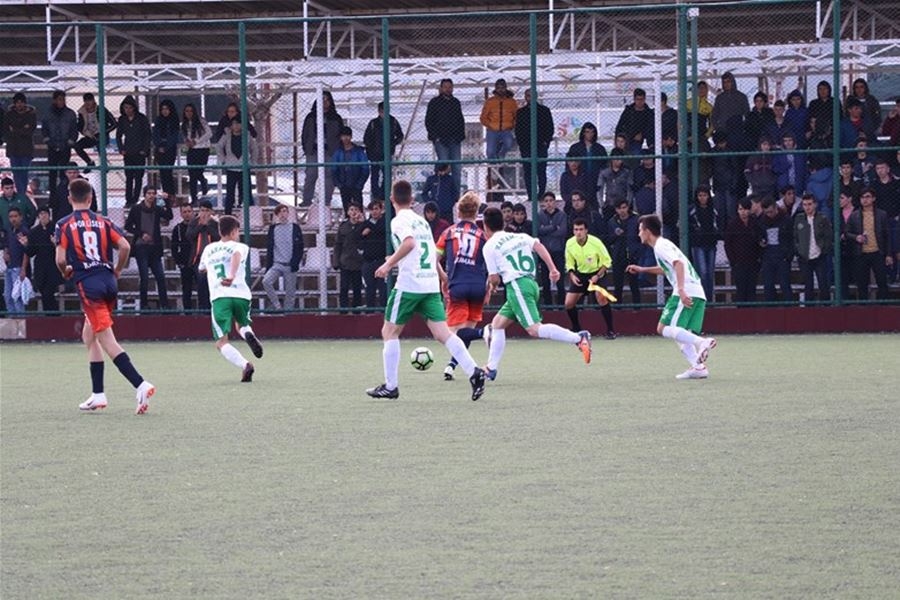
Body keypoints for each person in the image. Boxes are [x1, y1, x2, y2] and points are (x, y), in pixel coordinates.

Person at [365, 180, 486, 401]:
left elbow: (409, 244)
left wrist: (388, 264)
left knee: (389, 332)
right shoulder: (421, 221)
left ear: (391, 199)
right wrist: (441, 276)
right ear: (412, 200)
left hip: (409, 285)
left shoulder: (398, 220)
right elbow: (428, 251)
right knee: (443, 334)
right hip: (429, 284)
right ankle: (474, 371)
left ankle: (391, 387)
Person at [54, 178, 155, 413]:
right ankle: (98, 395)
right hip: (108, 282)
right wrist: (118, 270)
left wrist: (65, 270)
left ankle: (140, 384)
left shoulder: (64, 224)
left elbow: (60, 259)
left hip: (89, 286)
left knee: (107, 340)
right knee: (89, 336)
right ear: (91, 198)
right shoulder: (104, 221)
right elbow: (126, 247)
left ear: (69, 198)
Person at [481, 206, 593, 380]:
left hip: (517, 286)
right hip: (531, 284)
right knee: (497, 325)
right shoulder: (520, 236)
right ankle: (491, 368)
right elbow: (539, 246)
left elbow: (494, 278)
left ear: (485, 227)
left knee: (534, 329)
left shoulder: (489, 246)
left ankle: (578, 338)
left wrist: (492, 287)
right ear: (502, 223)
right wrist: (553, 268)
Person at [626, 214, 717, 380]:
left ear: (647, 231)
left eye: (640, 230)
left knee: (663, 328)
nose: (638, 234)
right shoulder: (663, 245)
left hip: (686, 289)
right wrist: (643, 269)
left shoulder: (661, 246)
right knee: (680, 333)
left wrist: (681, 290)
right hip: (697, 290)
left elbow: (678, 264)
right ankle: (698, 368)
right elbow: (667, 268)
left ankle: (701, 342)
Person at [197, 214, 264, 382]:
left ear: (220, 231)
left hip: (220, 296)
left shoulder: (209, 249)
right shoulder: (241, 246)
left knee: (221, 342)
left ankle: (245, 365)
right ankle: (248, 334)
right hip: (241, 295)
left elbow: (202, 269)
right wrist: (233, 275)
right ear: (234, 231)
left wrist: (217, 269)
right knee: (242, 324)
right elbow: (235, 255)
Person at [435, 191, 489, 381]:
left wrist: (443, 278)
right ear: (476, 213)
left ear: (458, 212)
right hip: (478, 286)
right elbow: (490, 265)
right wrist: (488, 288)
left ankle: (485, 332)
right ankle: (451, 366)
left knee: (452, 334)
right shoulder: (482, 235)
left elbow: (434, 259)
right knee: (466, 333)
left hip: (458, 285)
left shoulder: (448, 232)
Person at [564, 218, 616, 339]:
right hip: (581, 275)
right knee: (568, 303)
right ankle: (576, 328)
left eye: (581, 229)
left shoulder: (596, 242)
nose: (578, 232)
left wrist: (597, 276)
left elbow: (607, 261)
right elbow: (569, 262)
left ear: (586, 230)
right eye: (576, 230)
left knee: (601, 297)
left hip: (597, 273)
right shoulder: (569, 243)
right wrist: (572, 274)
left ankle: (610, 330)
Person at [124, 186, 173, 310]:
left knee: (160, 277)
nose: (151, 196)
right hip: (141, 247)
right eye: (149, 193)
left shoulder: (157, 209)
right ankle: (144, 305)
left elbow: (169, 216)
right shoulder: (136, 209)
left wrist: (167, 201)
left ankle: (165, 305)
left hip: (154, 247)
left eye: (153, 193)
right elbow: (128, 226)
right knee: (144, 277)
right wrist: (141, 234)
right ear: (144, 195)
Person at [846, 188, 892, 300]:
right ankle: (863, 307)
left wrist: (888, 254)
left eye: (867, 197)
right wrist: (856, 237)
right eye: (862, 197)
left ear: (873, 198)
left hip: (878, 253)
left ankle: (883, 305)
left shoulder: (882, 214)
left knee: (882, 282)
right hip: (861, 254)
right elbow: (846, 233)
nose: (865, 200)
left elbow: (887, 236)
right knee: (862, 284)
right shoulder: (854, 215)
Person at [301, 91, 343, 206]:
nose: (324, 102)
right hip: (313, 151)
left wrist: (337, 149)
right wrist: (306, 148)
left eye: (327, 100)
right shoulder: (310, 117)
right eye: (322, 99)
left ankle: (326, 201)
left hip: (330, 151)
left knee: (329, 176)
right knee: (311, 175)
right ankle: (306, 201)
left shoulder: (336, 117)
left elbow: (341, 134)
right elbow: (305, 134)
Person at [424, 79, 466, 195]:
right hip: (440, 140)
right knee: (443, 165)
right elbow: (428, 121)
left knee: (457, 168)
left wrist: (460, 136)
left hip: (455, 140)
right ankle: (442, 193)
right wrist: (435, 137)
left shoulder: (455, 102)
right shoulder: (434, 102)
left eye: (450, 87)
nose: (448, 89)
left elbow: (460, 120)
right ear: (441, 88)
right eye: (445, 87)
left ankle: (456, 195)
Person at [514, 88, 555, 201]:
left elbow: (550, 127)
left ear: (536, 96)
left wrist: (546, 142)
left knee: (541, 171)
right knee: (528, 172)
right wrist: (522, 144)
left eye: (532, 95)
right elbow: (518, 130)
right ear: (525, 97)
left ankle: (541, 194)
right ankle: (531, 196)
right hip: (526, 147)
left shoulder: (544, 110)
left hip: (541, 146)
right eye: (527, 95)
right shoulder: (521, 112)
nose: (530, 98)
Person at [263, 203, 304, 312]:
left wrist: (295, 262)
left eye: (285, 211)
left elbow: (300, 246)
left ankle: (288, 314)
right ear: (276, 215)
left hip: (290, 264)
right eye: (280, 212)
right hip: (277, 264)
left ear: (288, 214)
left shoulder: (295, 228)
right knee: (266, 281)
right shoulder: (273, 229)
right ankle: (277, 305)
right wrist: (269, 265)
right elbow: (270, 248)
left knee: (290, 293)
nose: (282, 214)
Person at [42, 90, 79, 211]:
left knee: (64, 174)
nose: (61, 102)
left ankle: (64, 197)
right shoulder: (48, 114)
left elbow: (74, 130)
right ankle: (52, 199)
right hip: (52, 147)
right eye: (59, 99)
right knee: (52, 174)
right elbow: (44, 129)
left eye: (63, 99)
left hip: (65, 147)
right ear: (54, 100)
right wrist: (48, 141)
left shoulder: (70, 114)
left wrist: (70, 141)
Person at [22, 206, 62, 314]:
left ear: (49, 215)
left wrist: (56, 244)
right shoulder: (34, 232)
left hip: (53, 266)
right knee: (44, 293)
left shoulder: (56, 229)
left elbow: (64, 248)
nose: (43, 216)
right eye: (41, 214)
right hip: (40, 267)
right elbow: (31, 252)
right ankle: (48, 315)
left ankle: (54, 315)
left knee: (49, 292)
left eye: (45, 213)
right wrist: (26, 245)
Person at [793, 193, 832, 303]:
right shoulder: (799, 219)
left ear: (815, 204)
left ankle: (826, 307)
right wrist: (799, 250)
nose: (807, 207)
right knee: (808, 285)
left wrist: (823, 249)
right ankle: (809, 308)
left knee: (823, 283)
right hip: (804, 257)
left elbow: (828, 236)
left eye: (809, 204)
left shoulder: (823, 218)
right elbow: (795, 236)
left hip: (819, 256)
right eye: (805, 204)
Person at [363, 101, 404, 201]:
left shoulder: (393, 121)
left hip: (387, 153)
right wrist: (371, 149)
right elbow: (366, 138)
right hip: (375, 154)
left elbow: (400, 135)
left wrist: (392, 143)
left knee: (387, 175)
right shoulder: (373, 123)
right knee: (375, 175)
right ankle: (376, 195)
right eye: (381, 111)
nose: (383, 113)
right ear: (379, 111)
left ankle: (385, 194)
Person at [216, 118, 258, 215]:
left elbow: (254, 148)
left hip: (244, 167)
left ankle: (250, 215)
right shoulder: (227, 135)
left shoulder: (247, 135)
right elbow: (219, 146)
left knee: (247, 192)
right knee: (230, 193)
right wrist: (223, 160)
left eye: (238, 123)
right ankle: (227, 215)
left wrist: (253, 162)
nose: (236, 126)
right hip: (231, 168)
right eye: (233, 124)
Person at [724, 198, 762, 304]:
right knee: (741, 290)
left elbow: (760, 240)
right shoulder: (732, 225)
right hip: (739, 264)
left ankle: (752, 312)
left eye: (745, 209)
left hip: (753, 263)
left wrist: (758, 258)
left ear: (749, 210)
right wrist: (733, 261)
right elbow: (728, 244)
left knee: (751, 290)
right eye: (740, 209)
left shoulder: (755, 223)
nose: (743, 212)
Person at [480, 78, 518, 184]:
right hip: (492, 130)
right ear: (496, 89)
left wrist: (512, 125)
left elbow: (516, 116)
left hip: (506, 129)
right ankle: (494, 169)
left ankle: (501, 155)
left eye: (503, 88)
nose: (501, 90)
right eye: (499, 88)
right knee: (490, 151)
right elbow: (483, 117)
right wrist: (490, 125)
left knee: (509, 143)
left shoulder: (511, 102)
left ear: (506, 88)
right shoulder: (490, 102)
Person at [116, 95, 152, 207]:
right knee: (129, 177)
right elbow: (118, 135)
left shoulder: (141, 118)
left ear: (134, 108)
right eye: (126, 107)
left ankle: (135, 199)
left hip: (139, 153)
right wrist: (121, 149)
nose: (128, 110)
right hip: (128, 153)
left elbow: (148, 135)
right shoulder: (122, 119)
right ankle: (128, 200)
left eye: (130, 107)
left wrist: (144, 150)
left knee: (138, 177)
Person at [607, 198, 642, 305]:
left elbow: (640, 237)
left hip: (632, 256)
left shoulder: (636, 219)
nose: (622, 210)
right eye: (619, 208)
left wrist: (637, 250)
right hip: (618, 256)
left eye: (624, 207)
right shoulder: (612, 221)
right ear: (616, 209)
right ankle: (618, 307)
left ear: (627, 207)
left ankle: (637, 307)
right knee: (618, 285)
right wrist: (615, 235)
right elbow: (608, 239)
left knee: (634, 284)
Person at [687, 184, 720, 301]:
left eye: (704, 195)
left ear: (708, 196)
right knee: (703, 272)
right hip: (698, 245)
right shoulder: (692, 210)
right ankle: (703, 298)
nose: (702, 198)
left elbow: (717, 225)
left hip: (711, 244)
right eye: (700, 195)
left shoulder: (713, 210)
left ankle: (709, 299)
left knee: (710, 274)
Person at [757, 199, 794, 302]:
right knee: (768, 285)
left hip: (782, 255)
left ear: (775, 208)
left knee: (784, 284)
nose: (769, 214)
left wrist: (789, 255)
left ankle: (789, 307)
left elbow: (792, 238)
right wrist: (761, 242)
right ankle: (770, 307)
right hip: (767, 255)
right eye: (767, 212)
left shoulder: (786, 220)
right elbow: (758, 235)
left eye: (771, 212)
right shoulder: (761, 221)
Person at [188, 200, 220, 310]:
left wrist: (208, 226)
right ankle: (203, 308)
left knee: (212, 284)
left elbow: (218, 237)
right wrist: (201, 225)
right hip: (198, 259)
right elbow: (189, 236)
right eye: (202, 210)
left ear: (211, 212)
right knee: (201, 281)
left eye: (207, 211)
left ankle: (213, 308)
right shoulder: (194, 222)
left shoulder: (215, 223)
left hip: (213, 259)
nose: (204, 213)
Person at [537, 191, 567, 306]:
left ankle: (561, 306)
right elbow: (538, 231)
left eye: (551, 200)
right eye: (546, 201)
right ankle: (548, 306)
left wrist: (546, 230)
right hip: (545, 252)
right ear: (543, 203)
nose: (549, 203)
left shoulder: (562, 215)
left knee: (560, 281)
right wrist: (554, 227)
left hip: (558, 251)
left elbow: (562, 231)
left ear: (555, 202)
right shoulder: (539, 215)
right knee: (545, 281)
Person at [566, 121, 606, 208]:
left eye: (592, 132)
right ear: (583, 133)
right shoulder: (575, 147)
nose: (589, 135)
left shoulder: (599, 148)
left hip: (596, 178)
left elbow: (604, 164)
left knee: (594, 201)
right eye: (587, 132)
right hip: (581, 178)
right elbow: (569, 164)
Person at [333, 203, 365, 311]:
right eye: (351, 209)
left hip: (358, 262)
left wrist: (361, 223)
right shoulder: (343, 226)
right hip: (345, 261)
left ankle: (357, 309)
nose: (354, 212)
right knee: (344, 287)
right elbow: (338, 244)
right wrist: (336, 261)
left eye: (356, 209)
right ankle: (343, 309)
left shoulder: (364, 225)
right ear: (348, 212)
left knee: (357, 287)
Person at [74, 93, 117, 172]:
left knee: (99, 143)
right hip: (90, 136)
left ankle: (104, 164)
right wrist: (86, 133)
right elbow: (80, 127)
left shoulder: (101, 110)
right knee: (77, 146)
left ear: (93, 101)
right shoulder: (82, 112)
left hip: (102, 135)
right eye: (86, 101)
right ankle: (90, 162)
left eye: (90, 100)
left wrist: (104, 132)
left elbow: (114, 124)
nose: (88, 103)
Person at [332, 126, 369, 218]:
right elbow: (333, 169)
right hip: (344, 184)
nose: (346, 138)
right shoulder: (338, 152)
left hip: (356, 184)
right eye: (343, 136)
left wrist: (360, 184)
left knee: (358, 206)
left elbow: (365, 169)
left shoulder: (359, 151)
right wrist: (339, 184)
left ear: (351, 136)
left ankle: (360, 222)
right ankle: (348, 223)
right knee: (346, 208)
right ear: (340, 137)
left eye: (348, 136)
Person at [5, 92, 37, 196]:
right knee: (16, 174)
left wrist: (15, 130)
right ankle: (21, 195)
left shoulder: (31, 115)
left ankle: (22, 195)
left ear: (25, 103)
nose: (19, 104)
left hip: (26, 150)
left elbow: (30, 131)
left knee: (24, 173)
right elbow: (7, 131)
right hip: (13, 149)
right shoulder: (9, 115)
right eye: (17, 102)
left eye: (21, 102)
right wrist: (22, 129)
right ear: (14, 103)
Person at [181, 103, 211, 205]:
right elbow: (186, 136)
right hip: (192, 150)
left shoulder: (201, 121)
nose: (189, 113)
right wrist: (187, 141)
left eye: (191, 111)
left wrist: (197, 141)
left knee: (198, 171)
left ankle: (203, 181)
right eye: (186, 111)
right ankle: (194, 198)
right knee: (192, 174)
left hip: (203, 149)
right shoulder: (185, 124)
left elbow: (209, 134)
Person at [359, 199, 387, 308]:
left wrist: (369, 226)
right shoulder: (366, 223)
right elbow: (359, 236)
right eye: (372, 209)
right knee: (369, 289)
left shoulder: (385, 222)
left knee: (383, 289)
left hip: (381, 261)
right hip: (368, 261)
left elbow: (380, 230)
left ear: (381, 210)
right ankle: (370, 311)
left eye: (376, 209)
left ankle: (384, 311)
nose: (374, 212)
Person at [171, 203, 197, 311]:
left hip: (198, 262)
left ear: (193, 212)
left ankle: (204, 311)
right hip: (185, 263)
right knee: (186, 289)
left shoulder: (199, 226)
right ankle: (187, 312)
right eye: (184, 212)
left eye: (189, 211)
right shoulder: (177, 229)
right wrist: (179, 262)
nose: (187, 214)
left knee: (203, 288)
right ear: (181, 214)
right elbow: (173, 247)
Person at [151, 99, 180, 197]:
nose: (165, 111)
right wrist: (159, 145)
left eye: (167, 109)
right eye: (163, 109)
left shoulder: (174, 120)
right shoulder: (158, 120)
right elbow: (155, 135)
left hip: (170, 151)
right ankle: (166, 196)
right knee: (163, 174)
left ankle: (171, 195)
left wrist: (166, 147)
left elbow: (174, 136)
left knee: (168, 173)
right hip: (160, 151)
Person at [3, 207, 29, 315]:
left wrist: (23, 269)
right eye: (11, 217)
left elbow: (26, 252)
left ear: (20, 217)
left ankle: (20, 320)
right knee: (7, 296)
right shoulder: (8, 230)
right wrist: (5, 253)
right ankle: (12, 318)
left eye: (15, 216)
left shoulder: (24, 231)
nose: (13, 219)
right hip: (9, 267)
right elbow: (6, 244)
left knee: (17, 296)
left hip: (18, 267)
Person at [615, 88, 654, 157]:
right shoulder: (628, 110)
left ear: (645, 99)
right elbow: (620, 125)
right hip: (625, 139)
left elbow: (650, 127)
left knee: (635, 155)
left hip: (636, 141)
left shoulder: (648, 113)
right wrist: (616, 139)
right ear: (634, 99)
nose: (640, 102)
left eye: (642, 99)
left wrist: (642, 134)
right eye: (638, 99)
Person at [711, 72, 749, 137]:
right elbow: (714, 115)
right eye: (724, 82)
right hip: (723, 130)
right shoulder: (719, 98)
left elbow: (747, 114)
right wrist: (717, 127)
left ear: (732, 82)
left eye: (728, 81)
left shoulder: (741, 97)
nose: (726, 84)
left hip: (737, 130)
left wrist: (743, 128)